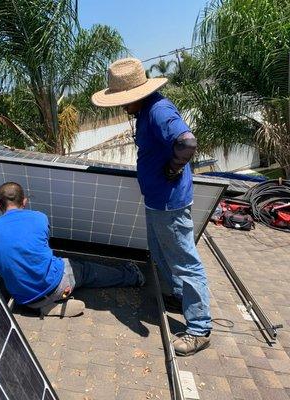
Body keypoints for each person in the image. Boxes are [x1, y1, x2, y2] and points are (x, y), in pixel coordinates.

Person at [91, 57, 212, 356]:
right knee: (160, 252)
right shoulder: (146, 111)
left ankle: (200, 328)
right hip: (158, 201)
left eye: (124, 100)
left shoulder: (158, 111)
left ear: (138, 94)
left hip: (170, 204)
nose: (122, 106)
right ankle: (178, 295)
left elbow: (187, 142)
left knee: (184, 260)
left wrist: (172, 169)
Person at [0, 181, 145, 317]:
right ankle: (133, 276)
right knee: (84, 269)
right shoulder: (38, 218)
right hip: (55, 285)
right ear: (25, 201)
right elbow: (40, 244)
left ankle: (42, 307)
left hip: (23, 298)